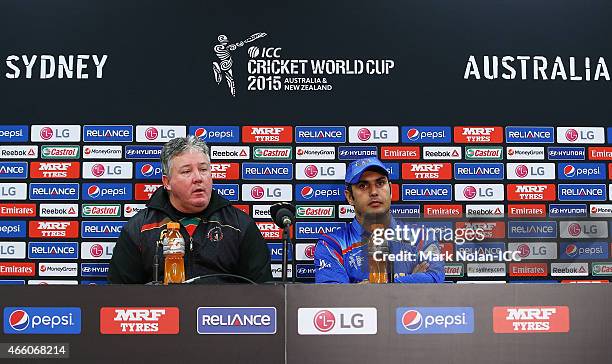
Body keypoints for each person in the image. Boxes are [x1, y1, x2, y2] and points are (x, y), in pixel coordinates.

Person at [108, 136, 272, 284]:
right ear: (167, 182)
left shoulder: (239, 225)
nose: (198, 178)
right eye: (187, 171)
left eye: (203, 169)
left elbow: (263, 293)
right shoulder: (140, 229)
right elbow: (119, 294)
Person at [314, 157, 445, 283]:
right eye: (363, 186)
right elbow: (334, 296)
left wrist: (369, 288)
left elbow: (435, 276)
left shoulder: (420, 236)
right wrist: (409, 282)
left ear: (390, 190)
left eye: (380, 183)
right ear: (350, 197)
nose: (374, 192)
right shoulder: (332, 244)